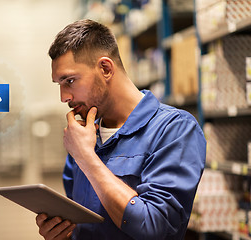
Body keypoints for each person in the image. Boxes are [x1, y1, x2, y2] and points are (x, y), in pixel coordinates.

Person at [36, 19, 206, 240]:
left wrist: (87, 157)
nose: (64, 97)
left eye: (69, 80)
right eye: (59, 84)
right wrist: (62, 235)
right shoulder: (84, 136)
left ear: (105, 69)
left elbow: (156, 227)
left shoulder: (174, 130)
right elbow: (84, 228)